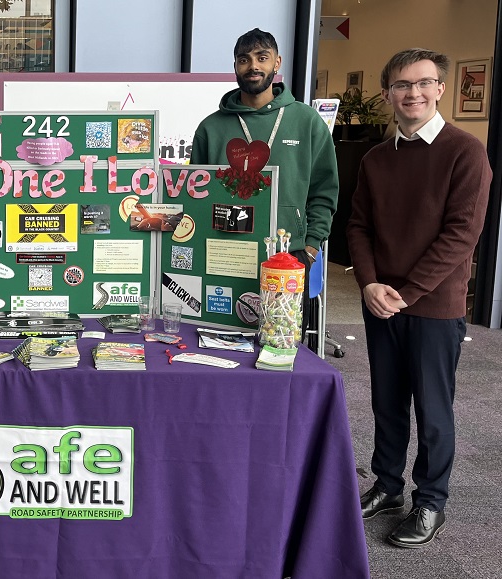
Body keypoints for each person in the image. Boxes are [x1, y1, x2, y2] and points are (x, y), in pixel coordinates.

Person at [346, 48, 491, 548]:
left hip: (431, 306)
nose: (412, 93)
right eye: (402, 85)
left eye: (423, 83)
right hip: (380, 302)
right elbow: (359, 226)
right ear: (388, 93)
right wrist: (367, 284)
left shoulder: (465, 151)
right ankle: (388, 486)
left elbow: (460, 236)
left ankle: (431, 500)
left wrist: (404, 293)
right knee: (386, 403)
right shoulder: (374, 159)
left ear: (440, 89)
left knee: (433, 410)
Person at [191, 28, 338, 346]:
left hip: (288, 255)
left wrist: (311, 245)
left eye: (262, 58)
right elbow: (195, 197)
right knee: (220, 343)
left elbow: (325, 189)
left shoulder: (307, 122)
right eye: (244, 60)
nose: (253, 66)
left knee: (283, 346)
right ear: (235, 66)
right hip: (224, 251)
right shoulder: (210, 128)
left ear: (277, 63)